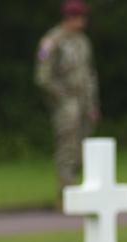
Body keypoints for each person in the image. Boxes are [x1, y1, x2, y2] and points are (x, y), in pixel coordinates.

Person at [34, 0, 99, 206]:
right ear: (69, 17)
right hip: (66, 101)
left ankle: (76, 189)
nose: (83, 21)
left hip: (84, 101)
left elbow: (89, 74)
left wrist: (92, 104)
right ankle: (65, 194)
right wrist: (61, 97)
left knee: (82, 147)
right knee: (67, 146)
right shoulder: (52, 41)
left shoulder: (83, 41)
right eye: (79, 17)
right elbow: (43, 76)